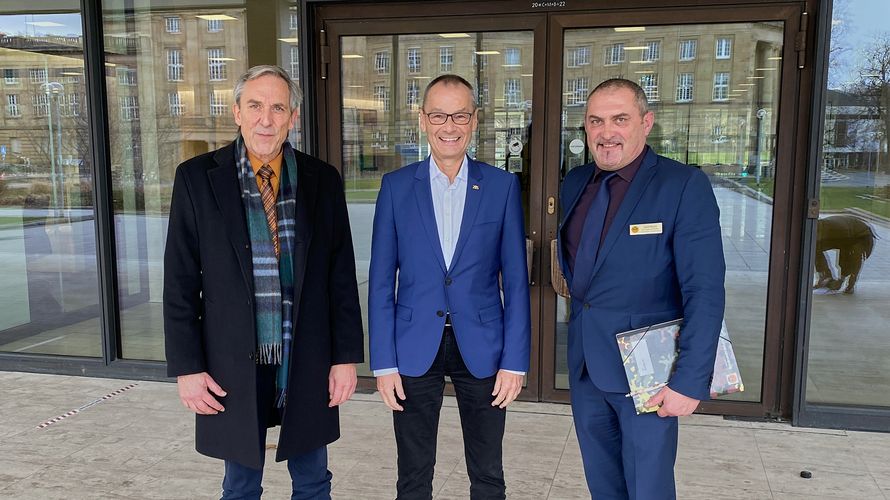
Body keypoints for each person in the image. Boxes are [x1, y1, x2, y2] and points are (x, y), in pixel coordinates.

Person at [163, 65, 364, 499]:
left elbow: (340, 278)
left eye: (278, 107)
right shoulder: (197, 179)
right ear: (236, 111)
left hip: (306, 353)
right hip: (231, 360)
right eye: (255, 106)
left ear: (294, 117)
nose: (266, 119)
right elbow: (179, 281)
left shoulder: (322, 180)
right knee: (240, 485)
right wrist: (187, 368)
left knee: (312, 480)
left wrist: (345, 358)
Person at [557, 78, 725, 499]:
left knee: (648, 489)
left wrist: (690, 380)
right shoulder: (575, 183)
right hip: (586, 368)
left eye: (620, 119)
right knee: (604, 485)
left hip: (648, 375)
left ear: (646, 123)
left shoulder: (682, 185)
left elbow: (704, 290)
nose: (606, 131)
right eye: (596, 121)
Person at [368, 74, 531, 500]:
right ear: (422, 120)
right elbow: (382, 282)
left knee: (488, 474)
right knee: (413, 475)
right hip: (413, 343)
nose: (449, 125)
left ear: (474, 120)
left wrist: (515, 360)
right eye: (439, 114)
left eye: (460, 114)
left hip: (483, 345)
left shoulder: (501, 186)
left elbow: (514, 281)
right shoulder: (397, 187)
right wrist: (383, 363)